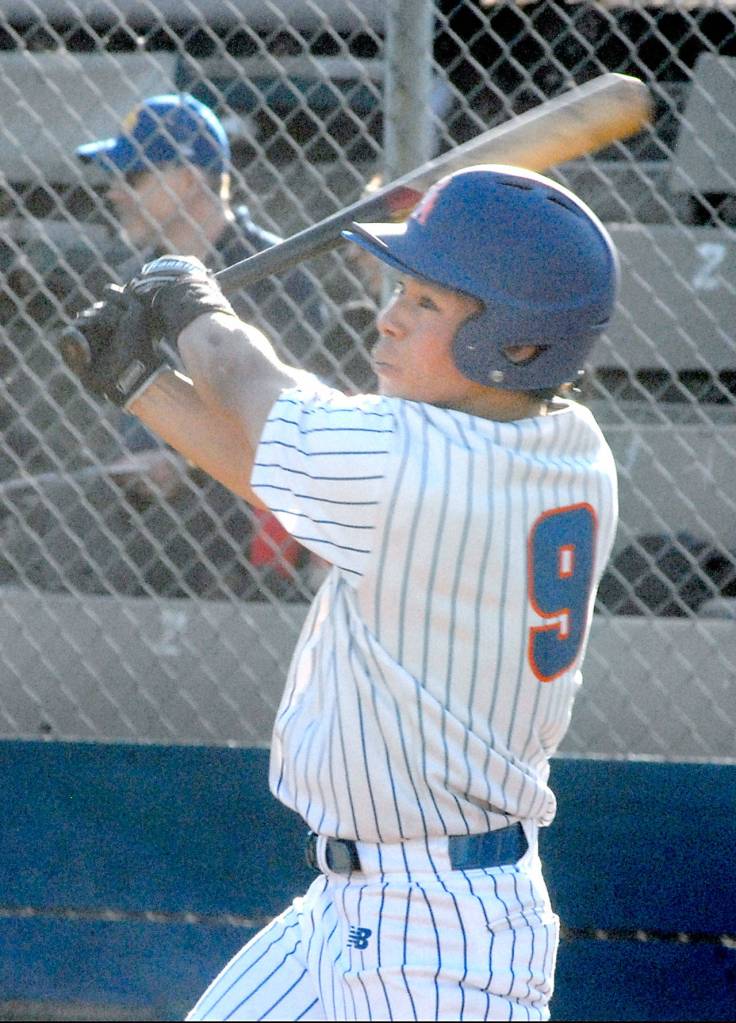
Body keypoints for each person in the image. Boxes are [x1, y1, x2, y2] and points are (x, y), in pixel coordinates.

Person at [62, 165, 620, 1020]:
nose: (389, 316)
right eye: (403, 287)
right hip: (355, 909)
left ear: (517, 343)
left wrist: (192, 306)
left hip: (439, 944)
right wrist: (142, 381)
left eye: (427, 303)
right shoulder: (564, 446)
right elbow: (282, 471)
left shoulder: (419, 462)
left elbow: (261, 391)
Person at [74, 91, 326, 594]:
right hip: (161, 538)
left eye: (134, 176)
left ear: (189, 179)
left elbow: (296, 422)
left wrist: (178, 458)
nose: (116, 192)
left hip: (249, 530)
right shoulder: (137, 280)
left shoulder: (276, 273)